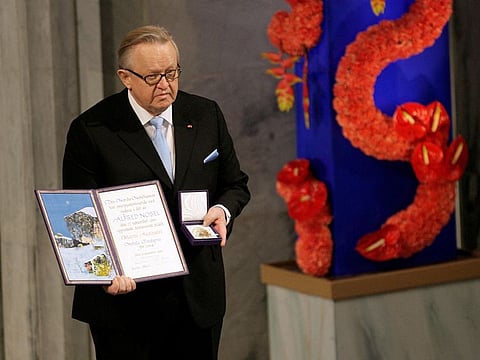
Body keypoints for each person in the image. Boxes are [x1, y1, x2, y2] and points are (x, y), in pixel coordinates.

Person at [62, 25, 250, 359]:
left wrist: (222, 211)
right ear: (126, 77)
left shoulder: (206, 114)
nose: (166, 85)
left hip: (198, 298)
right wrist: (104, 271)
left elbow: (235, 185)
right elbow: (78, 217)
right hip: (127, 306)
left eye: (172, 72)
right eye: (153, 77)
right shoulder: (92, 130)